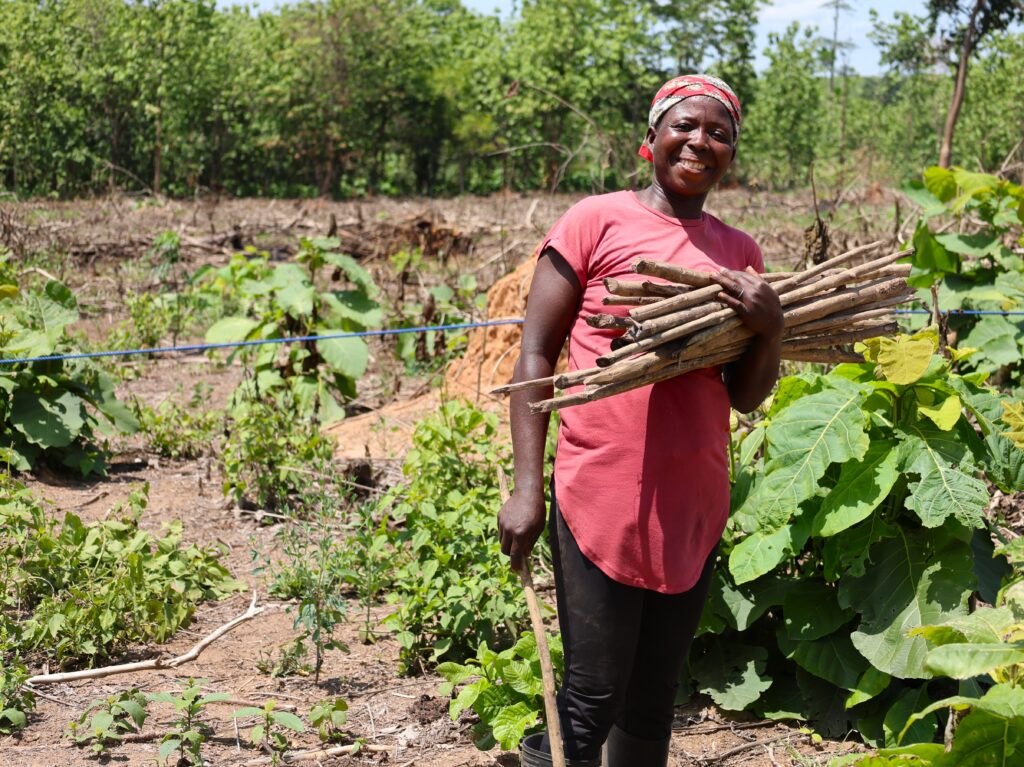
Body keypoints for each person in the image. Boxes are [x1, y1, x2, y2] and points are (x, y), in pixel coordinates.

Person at [498, 75, 784, 767]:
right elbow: (537, 350)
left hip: (692, 500)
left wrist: (770, 329)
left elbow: (745, 396)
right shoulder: (596, 220)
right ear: (649, 141)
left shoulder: (739, 251)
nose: (700, 142)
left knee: (654, 697)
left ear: (731, 156)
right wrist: (527, 484)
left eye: (719, 133)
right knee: (592, 695)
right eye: (686, 126)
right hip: (600, 493)